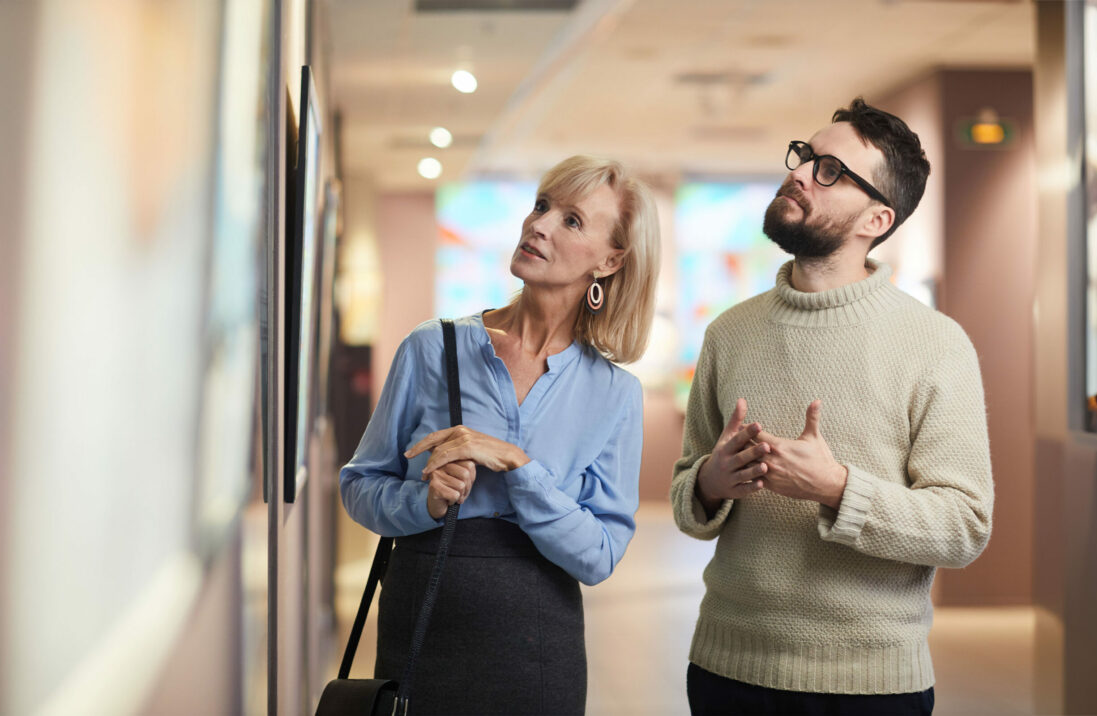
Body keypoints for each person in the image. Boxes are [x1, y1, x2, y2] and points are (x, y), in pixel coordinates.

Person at [671, 98, 993, 716]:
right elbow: (688, 499)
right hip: (725, 671)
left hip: (872, 688)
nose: (800, 172)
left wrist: (839, 488)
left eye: (830, 169)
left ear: (877, 217)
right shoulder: (728, 334)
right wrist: (709, 484)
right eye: (805, 156)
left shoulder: (936, 344)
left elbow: (964, 526)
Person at [341, 155, 660, 715]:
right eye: (542, 206)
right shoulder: (431, 348)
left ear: (610, 262)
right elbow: (360, 486)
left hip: (539, 650)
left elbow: (599, 556)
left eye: (572, 220)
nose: (539, 225)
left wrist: (518, 465)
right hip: (422, 630)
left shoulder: (615, 394)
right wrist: (426, 500)